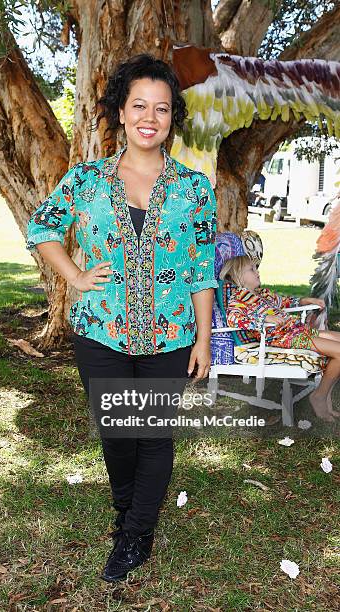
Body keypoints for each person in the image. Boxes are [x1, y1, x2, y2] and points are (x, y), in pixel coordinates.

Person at [26, 53, 218, 582]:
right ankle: (128, 505)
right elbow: (42, 226)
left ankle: (135, 534)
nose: (149, 117)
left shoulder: (193, 188)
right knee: (117, 432)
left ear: (171, 117)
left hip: (171, 333)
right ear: (121, 110)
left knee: (153, 435)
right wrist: (75, 276)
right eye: (139, 106)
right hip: (100, 333)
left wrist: (203, 339)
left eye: (161, 108)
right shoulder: (86, 179)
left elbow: (203, 269)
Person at [220, 255, 340, 423]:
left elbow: (286, 302)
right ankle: (320, 396)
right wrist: (263, 319)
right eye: (252, 269)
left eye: (256, 268)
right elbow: (234, 318)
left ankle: (324, 394)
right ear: (237, 275)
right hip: (284, 339)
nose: (257, 272)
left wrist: (305, 300)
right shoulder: (238, 298)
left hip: (297, 331)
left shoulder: (264, 294)